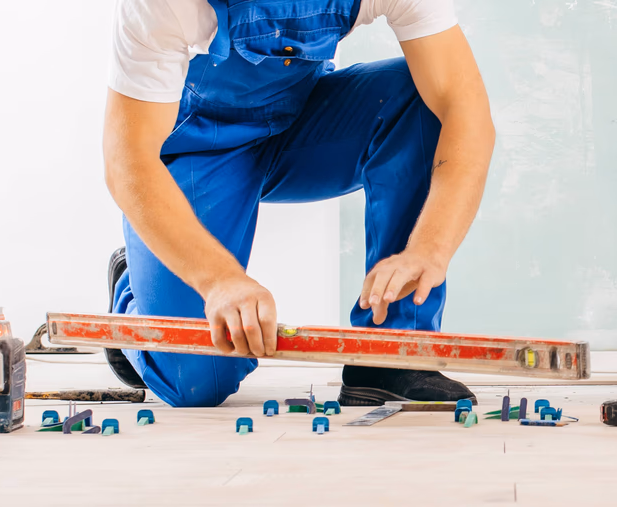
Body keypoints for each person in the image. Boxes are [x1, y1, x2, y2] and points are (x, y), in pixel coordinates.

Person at [100, 0, 493, 407]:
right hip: (203, 150)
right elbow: (127, 162)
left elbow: (463, 109)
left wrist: (430, 247)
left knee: (421, 99)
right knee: (199, 378)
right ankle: (134, 296)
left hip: (299, 126)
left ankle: (392, 353)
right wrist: (218, 280)